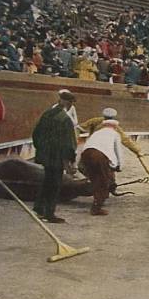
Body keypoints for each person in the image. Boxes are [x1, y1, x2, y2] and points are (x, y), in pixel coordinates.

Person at [32, 90, 77, 223]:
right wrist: (71, 161)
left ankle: (39, 208)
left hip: (45, 155)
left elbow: (36, 134)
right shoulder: (66, 119)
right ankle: (49, 213)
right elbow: (69, 144)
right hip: (57, 157)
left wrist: (41, 150)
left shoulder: (47, 114)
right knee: (55, 184)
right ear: (68, 103)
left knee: (47, 181)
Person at [80, 110, 123, 216]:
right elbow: (118, 152)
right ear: (114, 126)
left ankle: (96, 198)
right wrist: (119, 166)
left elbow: (86, 145)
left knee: (95, 178)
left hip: (86, 154)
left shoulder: (97, 133)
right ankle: (97, 207)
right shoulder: (115, 134)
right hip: (99, 156)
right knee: (104, 181)